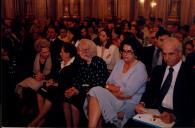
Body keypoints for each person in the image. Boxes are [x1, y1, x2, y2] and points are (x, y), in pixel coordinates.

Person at [85, 39, 148, 128]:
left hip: (128, 103)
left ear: (135, 52)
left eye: (129, 51)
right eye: (123, 51)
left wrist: (113, 88)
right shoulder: (120, 63)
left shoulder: (140, 67)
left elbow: (126, 93)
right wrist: (114, 88)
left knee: (95, 91)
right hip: (114, 98)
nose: (125, 54)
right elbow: (108, 83)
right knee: (95, 93)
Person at [135, 37, 194, 126]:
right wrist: (142, 103)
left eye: (171, 54)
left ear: (180, 53)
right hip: (156, 111)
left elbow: (192, 105)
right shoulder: (158, 70)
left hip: (179, 116)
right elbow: (149, 92)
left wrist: (174, 116)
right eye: (164, 54)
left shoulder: (190, 74)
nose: (167, 58)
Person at [28, 43, 80, 127]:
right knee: (40, 91)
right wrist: (51, 80)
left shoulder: (74, 64)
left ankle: (36, 121)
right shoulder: (62, 62)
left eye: (62, 52)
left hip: (67, 89)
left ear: (68, 54)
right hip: (58, 87)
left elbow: (71, 82)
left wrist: (56, 84)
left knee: (52, 92)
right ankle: (42, 117)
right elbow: (55, 75)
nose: (60, 53)